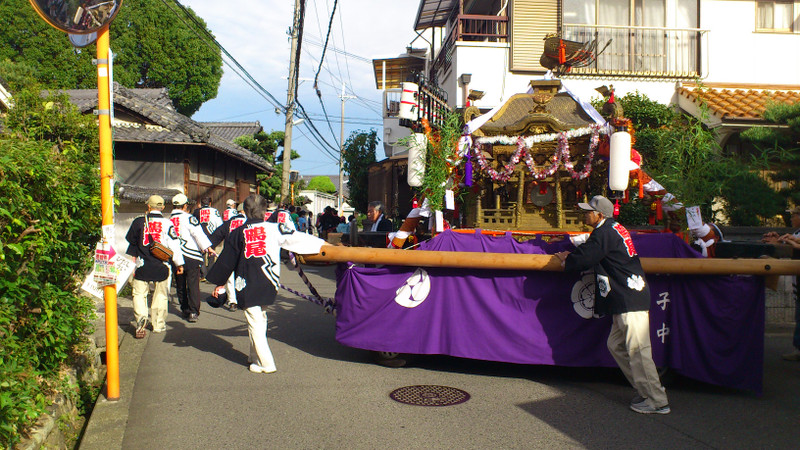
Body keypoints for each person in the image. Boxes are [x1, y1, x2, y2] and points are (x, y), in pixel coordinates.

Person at [555, 195, 670, 415]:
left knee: (638, 350)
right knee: (616, 345)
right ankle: (644, 390)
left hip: (629, 297)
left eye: (588, 211)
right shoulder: (612, 228)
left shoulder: (605, 232)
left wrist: (565, 260)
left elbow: (586, 257)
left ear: (599, 214)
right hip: (626, 295)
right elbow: (592, 250)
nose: (584, 214)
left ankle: (656, 400)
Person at [206, 194, 326, 374]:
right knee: (259, 318)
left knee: (255, 320)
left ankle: (267, 363)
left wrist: (219, 284)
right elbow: (298, 238)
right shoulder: (275, 228)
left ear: (245, 212)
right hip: (269, 282)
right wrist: (324, 245)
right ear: (265, 212)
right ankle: (253, 356)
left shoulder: (238, 233)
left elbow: (226, 262)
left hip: (247, 284)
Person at [125, 195, 185, 338]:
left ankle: (141, 319)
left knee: (139, 294)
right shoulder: (168, 223)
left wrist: (131, 266)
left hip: (142, 265)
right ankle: (158, 324)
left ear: (148, 206)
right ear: (163, 207)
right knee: (161, 296)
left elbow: (132, 245)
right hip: (162, 266)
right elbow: (174, 245)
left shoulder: (139, 222)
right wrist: (179, 263)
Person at [170, 193, 215, 323]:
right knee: (193, 284)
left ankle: (184, 309)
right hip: (190, 255)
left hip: (175, 256)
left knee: (180, 283)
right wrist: (208, 247)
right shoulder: (189, 218)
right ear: (185, 206)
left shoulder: (168, 220)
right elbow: (198, 234)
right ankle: (194, 311)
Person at [763, 206, 800, 361]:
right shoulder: (796, 233)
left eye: (793, 215)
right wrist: (779, 240)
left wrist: (790, 241)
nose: (790, 219)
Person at [208, 202, 248, 311]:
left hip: (229, 252)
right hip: (245, 254)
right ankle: (244, 299)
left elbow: (218, 234)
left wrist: (210, 246)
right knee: (244, 276)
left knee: (230, 278)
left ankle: (232, 301)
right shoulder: (248, 222)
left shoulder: (229, 222)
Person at [193, 196, 222, 278]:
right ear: (210, 203)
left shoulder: (197, 211)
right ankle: (210, 273)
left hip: (200, 235)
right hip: (212, 235)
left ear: (201, 203)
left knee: (201, 254)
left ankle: (203, 273)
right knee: (211, 255)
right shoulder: (214, 211)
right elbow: (219, 224)